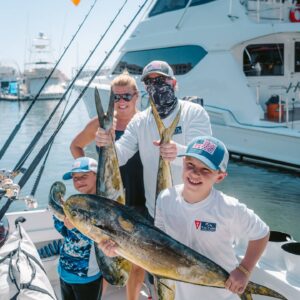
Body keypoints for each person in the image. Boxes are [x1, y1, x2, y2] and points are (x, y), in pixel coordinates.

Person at [155, 136, 270, 300]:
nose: (195, 173)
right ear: (183, 163)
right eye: (190, 165)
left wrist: (244, 270)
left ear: (220, 177)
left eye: (205, 170)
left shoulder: (229, 208)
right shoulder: (165, 198)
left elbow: (262, 233)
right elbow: (158, 239)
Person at [95, 60, 212, 221]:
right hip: (155, 212)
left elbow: (206, 156)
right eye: (149, 81)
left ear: (174, 82)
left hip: (193, 210)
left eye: (160, 80)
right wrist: (106, 142)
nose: (155, 86)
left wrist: (179, 152)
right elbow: (120, 156)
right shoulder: (139, 121)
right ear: (145, 87)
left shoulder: (194, 112)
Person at [70, 72, 146, 300]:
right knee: (106, 253)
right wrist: (89, 176)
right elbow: (76, 146)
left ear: (136, 96)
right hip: (108, 198)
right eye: (116, 97)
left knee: (137, 259)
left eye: (127, 96)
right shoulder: (100, 123)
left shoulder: (144, 122)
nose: (121, 102)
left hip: (139, 195)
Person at [53, 157, 103, 300]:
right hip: (64, 272)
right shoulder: (74, 202)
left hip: (87, 277)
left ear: (97, 175)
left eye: (84, 176)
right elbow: (64, 232)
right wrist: (58, 217)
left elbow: (97, 238)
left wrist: (74, 228)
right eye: (75, 178)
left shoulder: (101, 206)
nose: (79, 182)